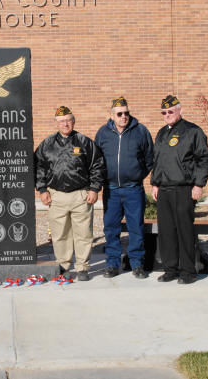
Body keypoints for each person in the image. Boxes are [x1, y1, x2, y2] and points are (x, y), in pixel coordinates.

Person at [34, 106, 106, 281]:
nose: (65, 124)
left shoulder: (85, 142)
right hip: (56, 195)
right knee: (60, 234)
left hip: (81, 195)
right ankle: (64, 265)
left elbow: (97, 165)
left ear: (74, 121)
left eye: (68, 120)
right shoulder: (47, 144)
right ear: (56, 123)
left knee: (83, 233)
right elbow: (39, 168)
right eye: (61, 121)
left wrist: (94, 188)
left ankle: (82, 267)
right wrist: (42, 189)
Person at [151, 95, 208, 284]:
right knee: (166, 231)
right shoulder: (161, 133)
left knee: (184, 231)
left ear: (180, 110)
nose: (167, 115)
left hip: (184, 189)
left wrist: (199, 184)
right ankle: (170, 269)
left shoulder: (193, 131)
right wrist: (155, 183)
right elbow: (157, 161)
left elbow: (204, 159)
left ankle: (187, 272)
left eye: (171, 111)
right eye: (164, 112)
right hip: (164, 189)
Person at [95, 97, 153, 279]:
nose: (124, 116)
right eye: (119, 114)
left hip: (133, 189)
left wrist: (137, 176)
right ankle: (112, 264)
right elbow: (97, 160)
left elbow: (149, 159)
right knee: (111, 228)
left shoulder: (141, 131)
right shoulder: (103, 133)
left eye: (126, 113)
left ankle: (137, 264)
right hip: (111, 190)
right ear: (112, 115)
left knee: (136, 227)